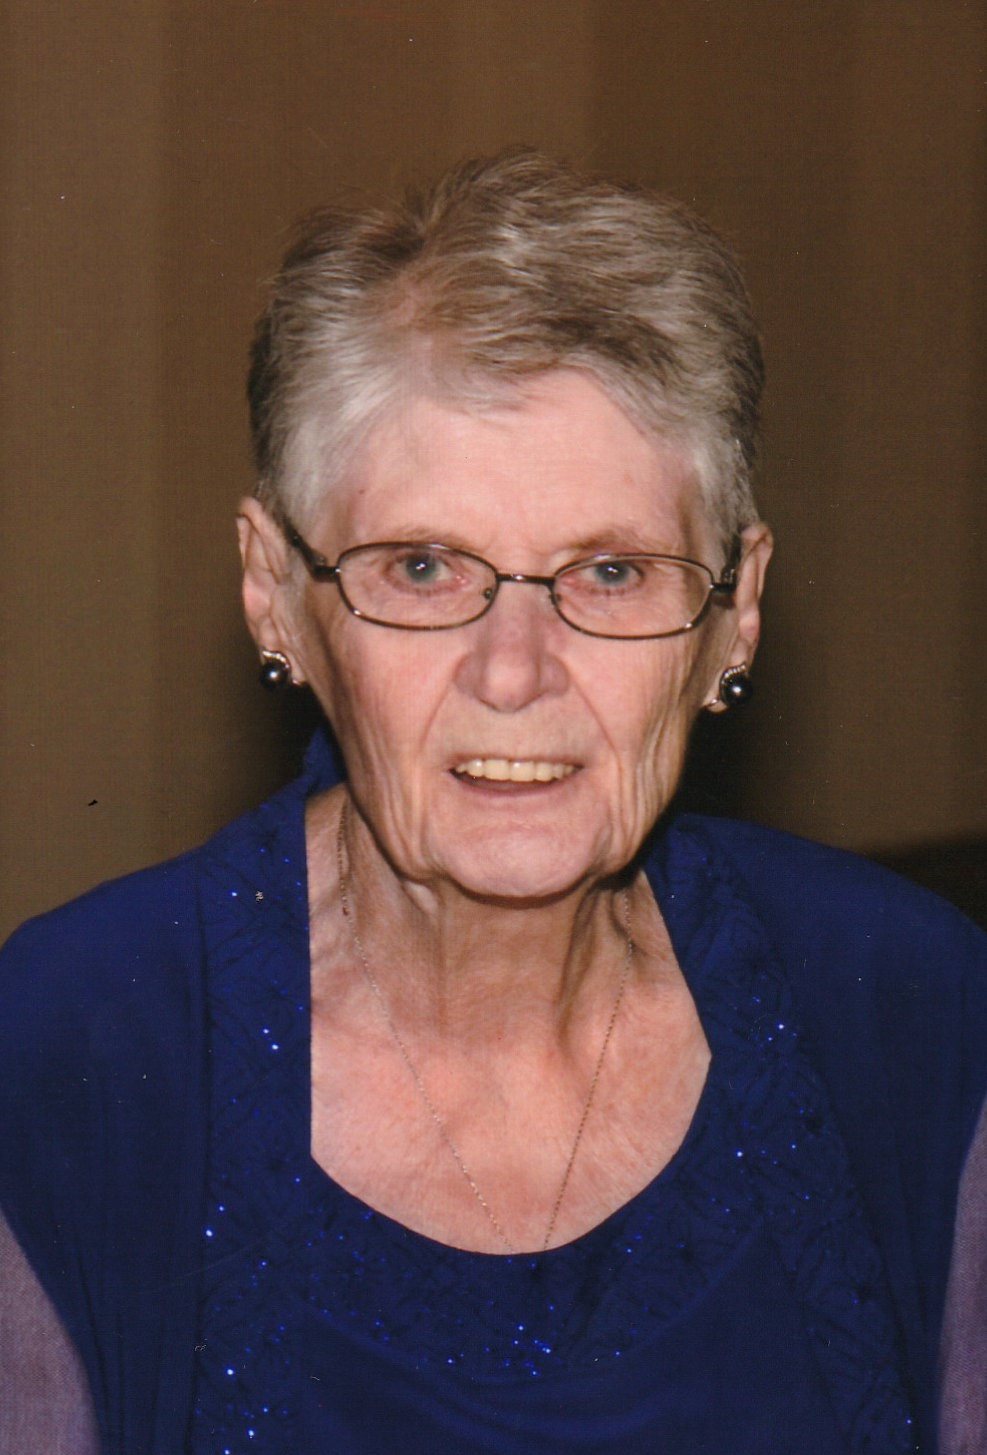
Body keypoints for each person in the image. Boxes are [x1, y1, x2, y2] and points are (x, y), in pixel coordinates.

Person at [1, 149, 985, 1455]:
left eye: (612, 572)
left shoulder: (914, 1009)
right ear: (274, 592)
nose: (514, 673)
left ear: (734, 613)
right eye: (422, 566)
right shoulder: (68, 1054)